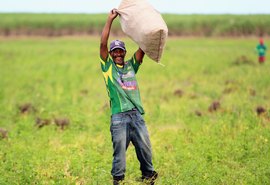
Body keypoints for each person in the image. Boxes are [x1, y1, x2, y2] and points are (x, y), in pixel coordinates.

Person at [99, 9, 158, 185]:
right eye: (114, 51)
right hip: (119, 118)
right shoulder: (108, 68)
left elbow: (144, 47)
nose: (118, 54)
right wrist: (109, 20)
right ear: (110, 54)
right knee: (120, 155)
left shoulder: (132, 66)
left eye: (120, 51)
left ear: (124, 52)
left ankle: (148, 179)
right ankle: (118, 181)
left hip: (136, 116)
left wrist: (148, 27)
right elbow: (103, 44)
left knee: (145, 150)